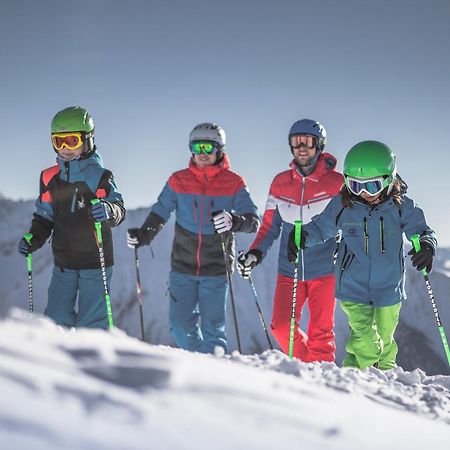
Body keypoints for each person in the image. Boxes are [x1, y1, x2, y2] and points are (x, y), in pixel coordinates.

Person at [287, 140, 437, 370]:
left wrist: (426, 245)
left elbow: (421, 230)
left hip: (389, 286)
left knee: (385, 341)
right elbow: (321, 227)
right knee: (365, 337)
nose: (364, 193)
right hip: (353, 285)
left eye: (373, 186)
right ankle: (367, 380)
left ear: (389, 179)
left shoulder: (401, 207)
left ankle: (372, 380)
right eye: (356, 186)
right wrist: (303, 237)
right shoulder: (343, 205)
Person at [127, 123, 259, 353]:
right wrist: (144, 236)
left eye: (207, 147)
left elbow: (253, 221)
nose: (202, 153)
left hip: (217, 268)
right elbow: (160, 211)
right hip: (183, 266)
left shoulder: (234, 182)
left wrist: (234, 221)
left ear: (219, 149)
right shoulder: (179, 180)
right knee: (180, 327)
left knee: (213, 331)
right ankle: (201, 365)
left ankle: (212, 373)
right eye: (196, 147)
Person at [237, 119, 343, 362]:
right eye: (296, 142)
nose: (302, 147)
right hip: (289, 268)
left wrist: (343, 247)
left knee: (321, 336)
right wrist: (255, 254)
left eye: (308, 141)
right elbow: (269, 227)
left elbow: (349, 222)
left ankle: (321, 385)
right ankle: (311, 372)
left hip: (324, 269)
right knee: (281, 327)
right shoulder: (280, 183)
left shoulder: (337, 183)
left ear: (319, 145)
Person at [18, 106, 125, 329]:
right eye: (59, 142)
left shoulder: (100, 176)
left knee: (91, 324)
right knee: (55, 319)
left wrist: (109, 210)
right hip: (64, 264)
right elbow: (45, 215)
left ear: (88, 140)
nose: (65, 148)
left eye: (72, 141)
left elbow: (118, 208)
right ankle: (56, 362)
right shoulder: (49, 177)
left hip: (96, 264)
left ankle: (92, 362)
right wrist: (34, 238)